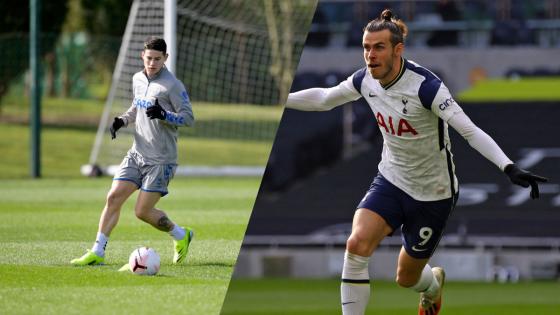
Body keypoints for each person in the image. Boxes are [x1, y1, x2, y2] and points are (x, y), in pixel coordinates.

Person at [286, 9, 547, 315]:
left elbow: (468, 130)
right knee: (356, 245)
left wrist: (508, 166)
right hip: (392, 180)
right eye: (366, 47)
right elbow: (325, 98)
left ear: (398, 49)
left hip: (434, 193)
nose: (370, 55)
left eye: (378, 47)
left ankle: (432, 286)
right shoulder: (364, 80)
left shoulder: (427, 87)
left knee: (406, 278)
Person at [71, 37, 195, 267]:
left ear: (165, 58)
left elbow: (189, 118)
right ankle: (98, 252)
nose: (153, 63)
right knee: (113, 197)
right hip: (137, 153)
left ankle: (180, 234)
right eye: (149, 58)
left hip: (161, 160)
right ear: (142, 56)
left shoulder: (173, 86)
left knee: (142, 212)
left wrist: (164, 115)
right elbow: (137, 106)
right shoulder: (137, 78)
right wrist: (123, 120)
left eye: (158, 59)